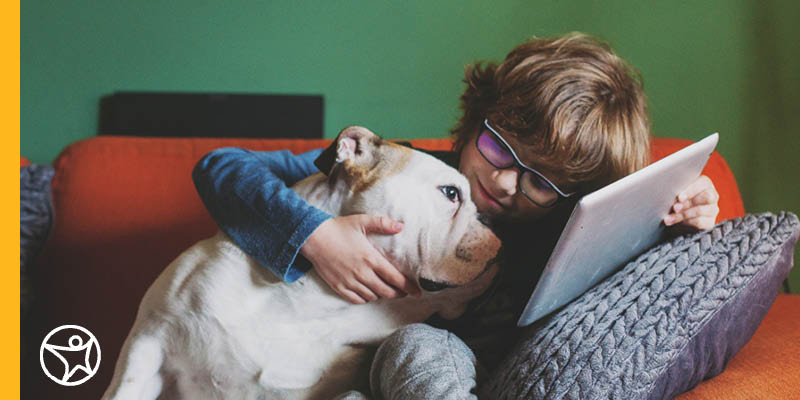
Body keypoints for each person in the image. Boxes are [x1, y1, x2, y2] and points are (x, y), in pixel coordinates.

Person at [192, 32, 720, 396]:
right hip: (358, 370)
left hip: (493, 378)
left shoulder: (569, 228)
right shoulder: (400, 172)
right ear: (476, 117)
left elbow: (639, 291)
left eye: (539, 180)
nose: (505, 183)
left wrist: (679, 218)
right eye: (498, 148)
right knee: (407, 351)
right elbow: (223, 166)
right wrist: (315, 235)